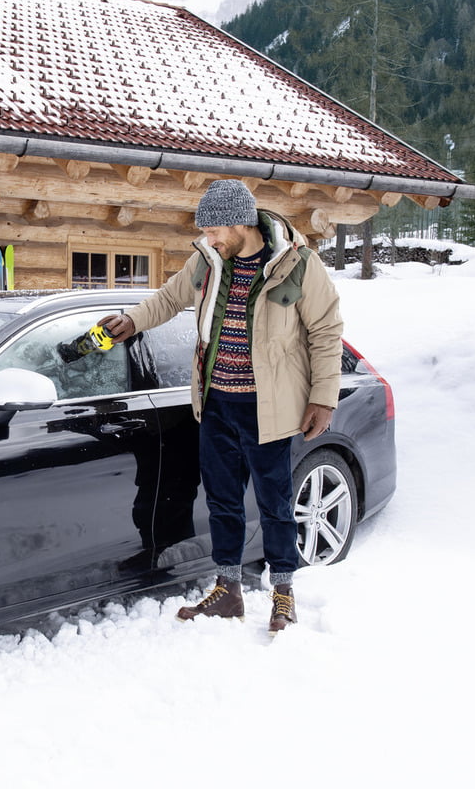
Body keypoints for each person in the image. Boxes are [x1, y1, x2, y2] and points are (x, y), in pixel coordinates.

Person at [99, 179, 343, 634]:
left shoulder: (297, 263)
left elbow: (326, 332)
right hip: (216, 405)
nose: (209, 240)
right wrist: (132, 321)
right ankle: (228, 590)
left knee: (275, 504)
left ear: (239, 223)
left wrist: (322, 398)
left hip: (269, 409)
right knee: (222, 503)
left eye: (214, 231)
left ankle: (283, 594)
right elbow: (169, 298)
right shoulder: (207, 262)